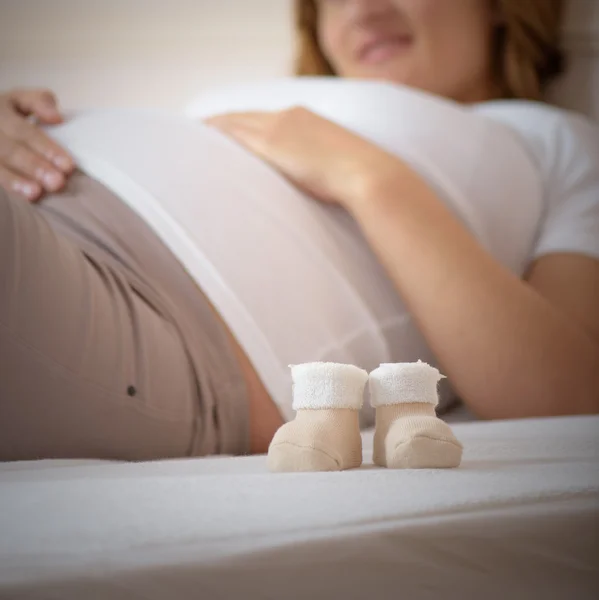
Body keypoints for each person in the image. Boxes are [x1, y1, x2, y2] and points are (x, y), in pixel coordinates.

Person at [0, 0, 598, 463]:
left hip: (155, 315)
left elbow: (566, 393)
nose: (362, 7)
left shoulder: (556, 141)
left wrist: (366, 175)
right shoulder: (296, 95)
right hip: (44, 205)